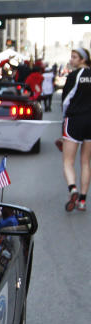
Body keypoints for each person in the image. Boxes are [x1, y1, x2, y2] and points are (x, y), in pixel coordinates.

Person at [59, 47, 91, 211]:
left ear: (83, 59)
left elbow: (66, 100)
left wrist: (64, 119)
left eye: (74, 57)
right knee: (86, 162)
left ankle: (73, 189)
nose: (71, 60)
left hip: (74, 120)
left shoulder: (74, 76)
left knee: (68, 161)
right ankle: (83, 201)